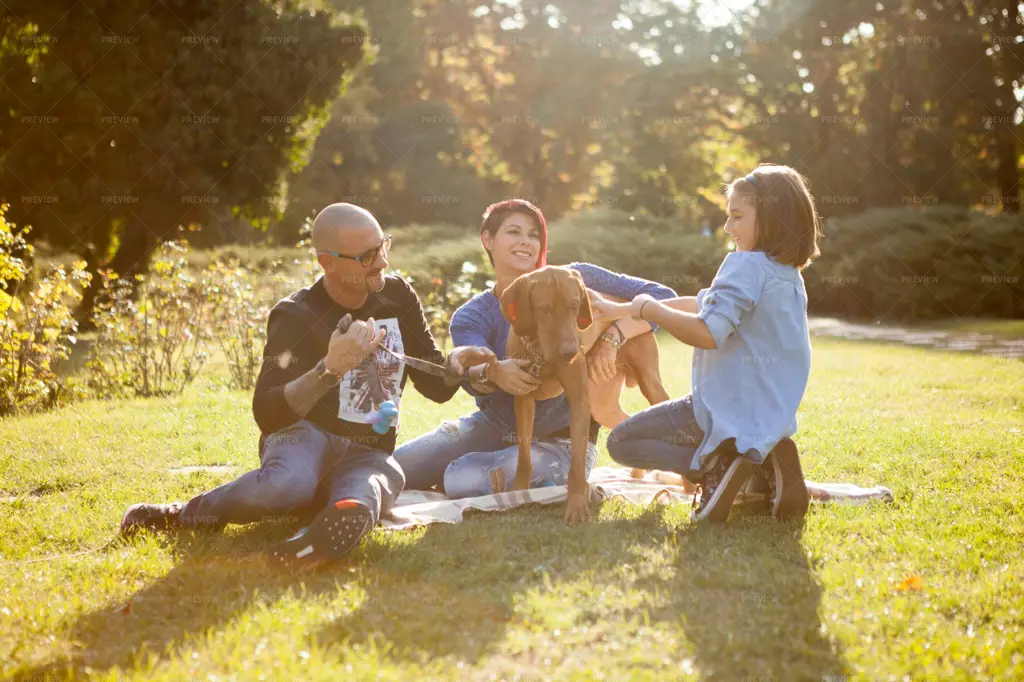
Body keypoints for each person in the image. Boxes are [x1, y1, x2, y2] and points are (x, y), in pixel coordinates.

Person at [120, 203, 492, 564]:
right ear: (327, 262)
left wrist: (455, 367)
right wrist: (330, 368)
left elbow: (436, 387)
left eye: (383, 247)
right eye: (367, 256)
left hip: (368, 450)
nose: (382, 262)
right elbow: (268, 412)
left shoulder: (398, 296)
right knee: (290, 483)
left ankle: (310, 540)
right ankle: (188, 513)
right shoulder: (295, 315)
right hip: (303, 437)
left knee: (374, 488)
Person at [393, 199, 678, 498]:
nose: (526, 242)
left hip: (563, 442)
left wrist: (612, 338)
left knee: (461, 479)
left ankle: (480, 470)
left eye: (534, 235)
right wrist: (494, 371)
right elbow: (473, 369)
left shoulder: (575, 277)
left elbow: (663, 297)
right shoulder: (472, 315)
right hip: (493, 426)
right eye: (514, 232)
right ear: (487, 239)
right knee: (399, 467)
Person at [595, 164, 822, 523]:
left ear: (773, 218)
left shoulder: (744, 265)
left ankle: (719, 461)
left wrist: (650, 307)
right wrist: (625, 309)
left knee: (622, 442)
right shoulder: (787, 276)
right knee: (647, 435)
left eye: (737, 216)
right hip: (768, 415)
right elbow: (700, 303)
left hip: (720, 408)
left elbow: (707, 332)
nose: (728, 227)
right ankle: (763, 464)